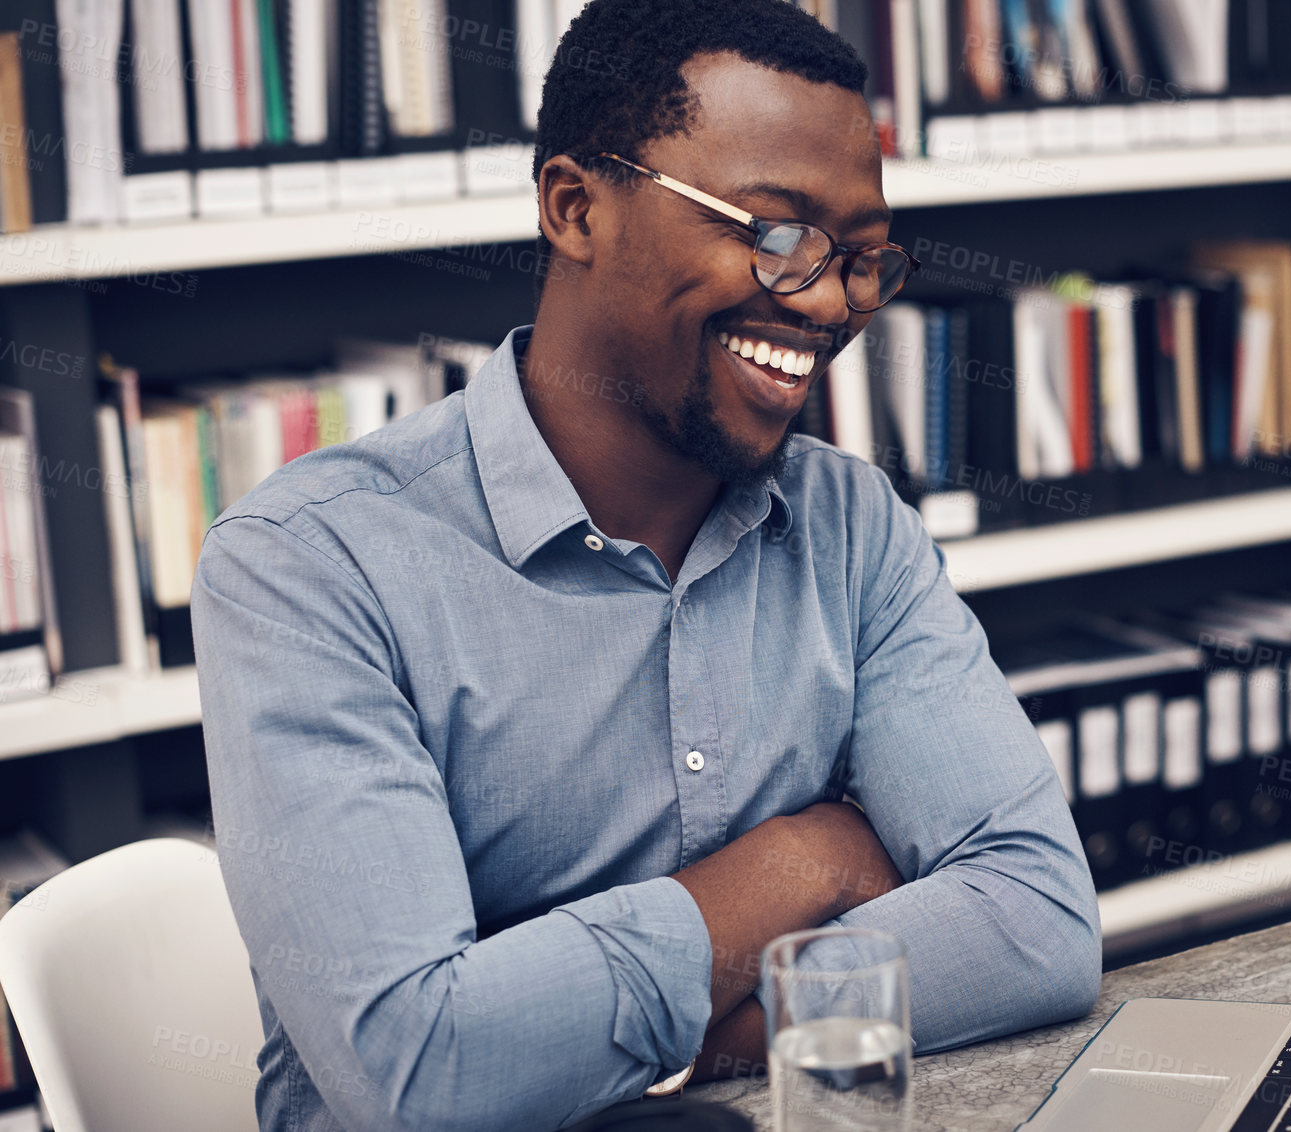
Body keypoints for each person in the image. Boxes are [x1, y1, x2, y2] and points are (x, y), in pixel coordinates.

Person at [191, 0, 1101, 1127]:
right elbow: (424, 1072)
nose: (823, 301)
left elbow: (1035, 918)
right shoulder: (309, 569)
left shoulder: (851, 526)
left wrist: (637, 1042)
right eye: (773, 234)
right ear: (576, 208)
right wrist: (801, 860)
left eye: (860, 261)